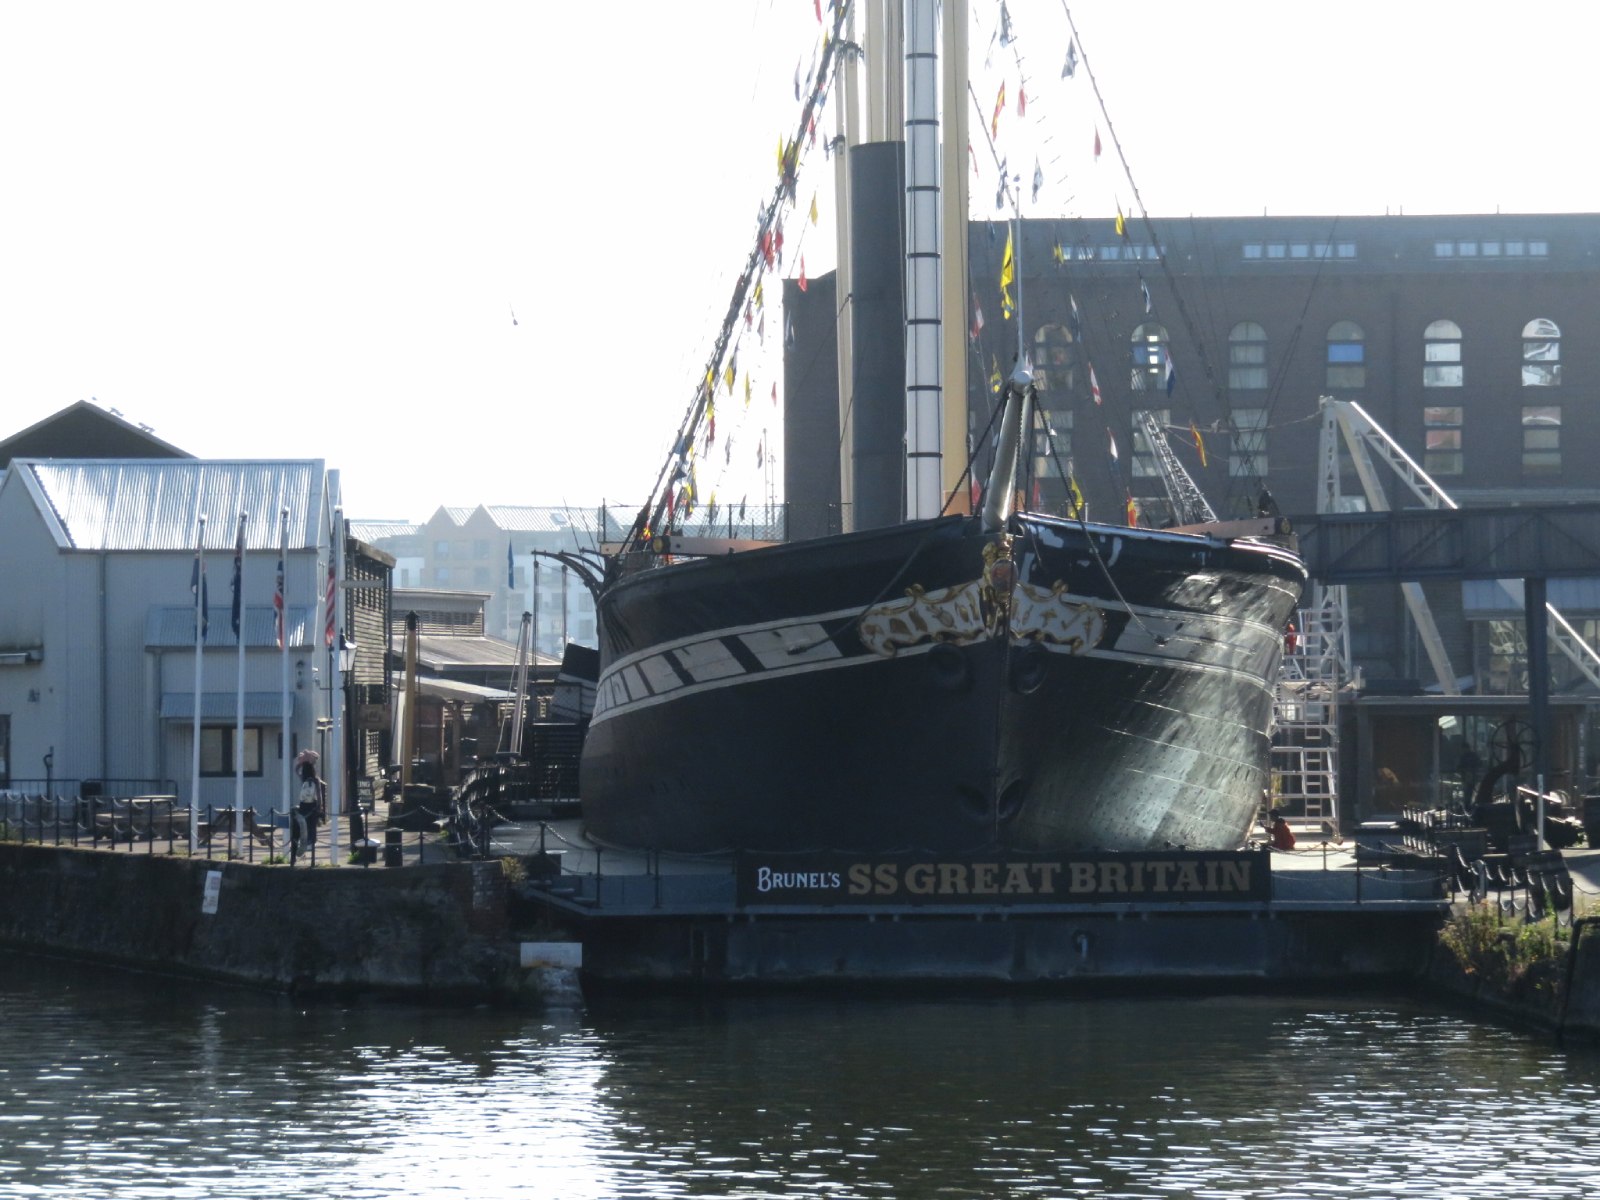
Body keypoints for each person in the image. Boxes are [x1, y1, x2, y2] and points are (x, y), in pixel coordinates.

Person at [291, 750, 326, 859]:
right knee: (312, 824)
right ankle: (311, 842)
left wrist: (301, 763)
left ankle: (302, 844)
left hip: (303, 804)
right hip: (313, 804)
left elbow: (296, 770)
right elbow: (319, 794)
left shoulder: (303, 778)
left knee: (303, 824)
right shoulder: (316, 779)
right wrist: (320, 806)